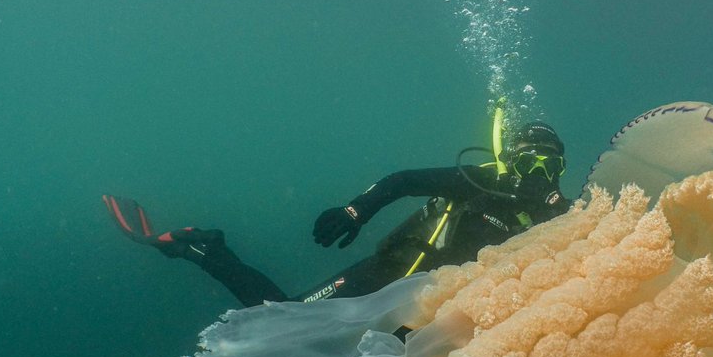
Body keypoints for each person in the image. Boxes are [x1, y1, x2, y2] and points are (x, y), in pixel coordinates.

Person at [103, 119, 572, 308]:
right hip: (390, 273)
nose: (535, 172)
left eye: (547, 164)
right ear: (509, 159)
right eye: (526, 159)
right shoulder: (482, 181)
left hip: (441, 312)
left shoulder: (564, 216)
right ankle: (208, 250)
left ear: (561, 169)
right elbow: (403, 181)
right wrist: (356, 211)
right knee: (286, 321)